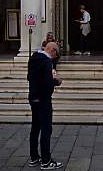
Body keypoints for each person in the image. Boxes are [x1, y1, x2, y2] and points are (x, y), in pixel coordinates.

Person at [27, 40, 63, 169]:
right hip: (43, 99)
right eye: (56, 54)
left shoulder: (34, 58)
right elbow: (48, 82)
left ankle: (34, 157)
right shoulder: (47, 61)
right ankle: (46, 161)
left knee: (35, 128)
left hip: (33, 97)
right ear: (52, 50)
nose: (55, 57)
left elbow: (30, 77)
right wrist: (56, 82)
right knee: (46, 129)